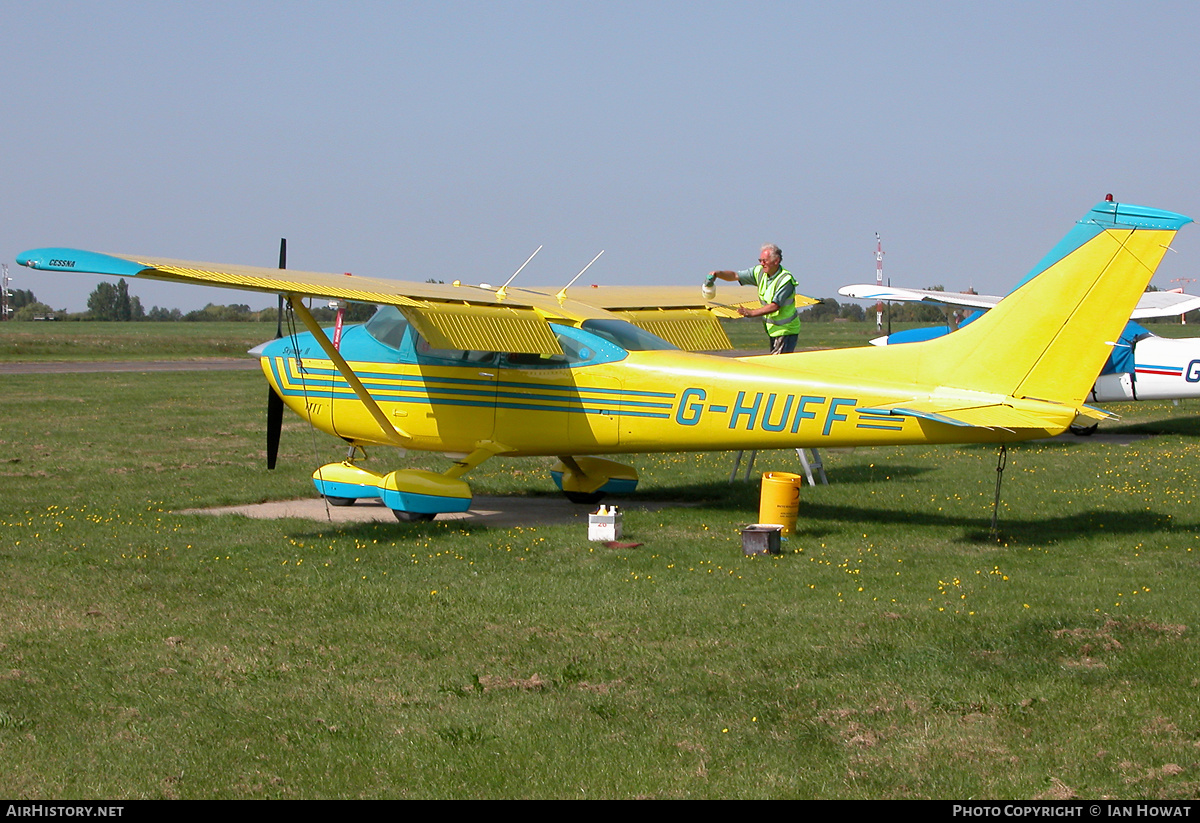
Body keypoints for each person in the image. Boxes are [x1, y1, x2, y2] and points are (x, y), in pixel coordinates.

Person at [706, 243, 800, 354]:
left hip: (786, 330)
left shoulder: (785, 280)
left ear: (776, 261)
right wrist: (718, 274)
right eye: (760, 260)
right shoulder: (759, 272)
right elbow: (736, 276)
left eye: (765, 261)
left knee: (779, 364)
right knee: (778, 364)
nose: (761, 264)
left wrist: (751, 313)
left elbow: (775, 305)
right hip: (773, 330)